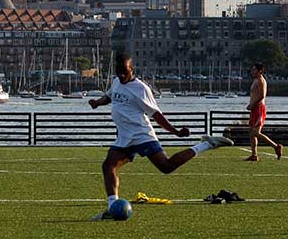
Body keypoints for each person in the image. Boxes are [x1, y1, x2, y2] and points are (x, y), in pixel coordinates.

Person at [89, 53, 234, 220]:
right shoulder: (116, 82)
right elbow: (109, 96)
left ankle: (207, 144)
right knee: (108, 166)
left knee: (167, 167)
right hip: (124, 138)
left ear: (131, 70)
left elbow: (156, 115)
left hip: (142, 135)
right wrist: (97, 103)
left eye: (125, 72)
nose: (121, 76)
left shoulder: (141, 88)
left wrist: (175, 131)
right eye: (118, 72)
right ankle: (112, 207)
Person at [244, 63, 282, 162]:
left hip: (259, 108)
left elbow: (262, 95)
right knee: (252, 133)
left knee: (256, 132)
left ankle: (276, 146)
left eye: (254, 70)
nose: (252, 72)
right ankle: (254, 155)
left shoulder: (261, 81)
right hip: (254, 109)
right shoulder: (255, 80)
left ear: (260, 71)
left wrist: (253, 104)